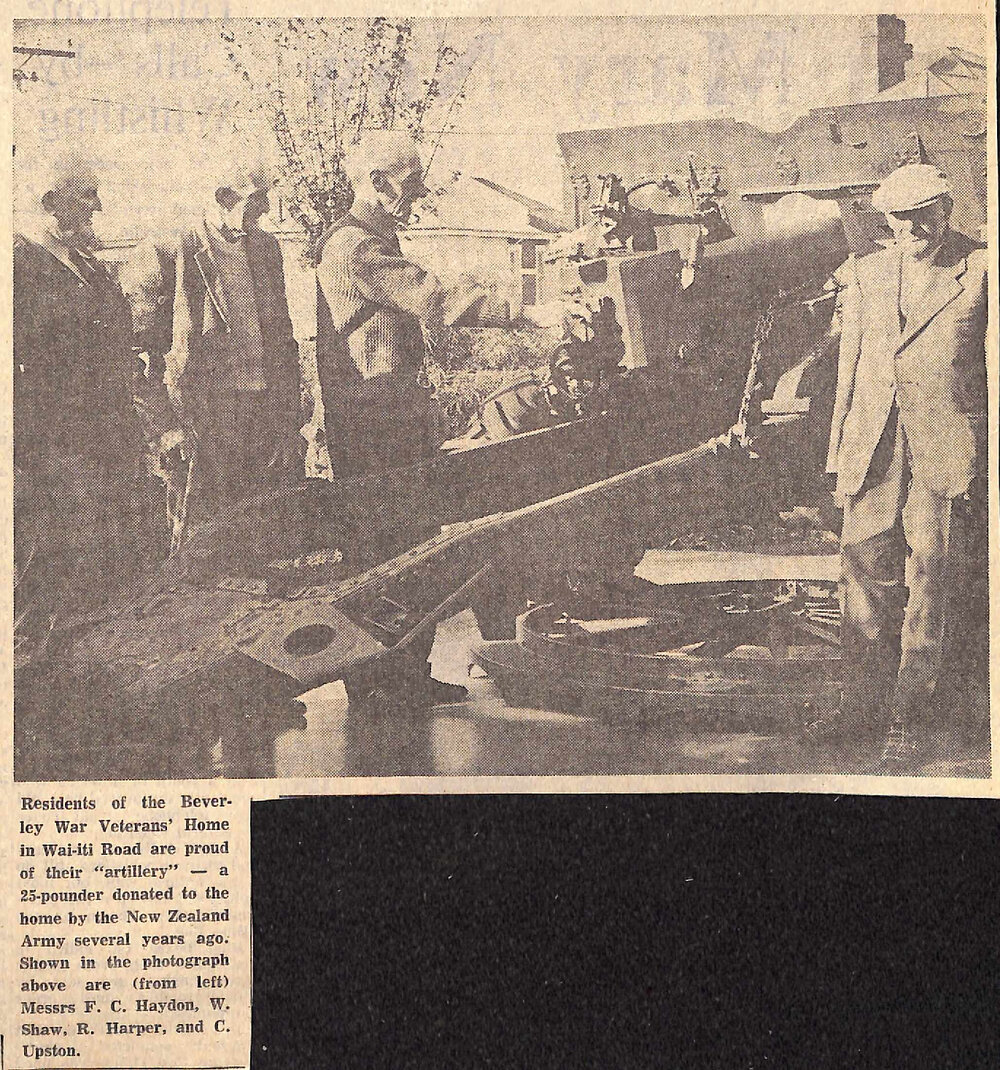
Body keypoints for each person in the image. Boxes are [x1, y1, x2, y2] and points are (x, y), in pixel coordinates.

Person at [315, 131, 488, 708]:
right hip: (372, 424)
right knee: (383, 554)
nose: (416, 195)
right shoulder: (355, 247)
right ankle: (375, 684)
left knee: (410, 547)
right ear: (376, 183)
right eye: (409, 184)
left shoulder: (373, 240)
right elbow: (432, 297)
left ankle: (405, 676)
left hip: (390, 415)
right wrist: (525, 309)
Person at [826, 163, 988, 772]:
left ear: (947, 209)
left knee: (932, 578)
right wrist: (839, 451)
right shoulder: (866, 273)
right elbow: (850, 367)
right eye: (900, 216)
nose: (913, 227)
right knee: (862, 571)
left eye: (924, 213)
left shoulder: (982, 270)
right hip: (875, 446)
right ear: (886, 219)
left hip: (944, 449)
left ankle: (912, 717)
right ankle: (860, 705)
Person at [14, 156, 164, 657]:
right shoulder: (19, 264)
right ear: (50, 203)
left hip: (111, 441)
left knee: (110, 573)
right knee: (54, 579)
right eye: (87, 195)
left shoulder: (90, 267)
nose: (98, 206)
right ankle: (36, 681)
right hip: (57, 452)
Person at [121, 165, 303, 542]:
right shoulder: (170, 249)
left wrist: (289, 413)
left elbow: (283, 335)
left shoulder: (266, 249)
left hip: (262, 410)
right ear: (223, 198)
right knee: (202, 537)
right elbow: (137, 354)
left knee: (262, 528)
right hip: (204, 418)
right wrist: (164, 427)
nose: (266, 208)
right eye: (257, 198)